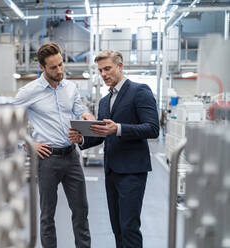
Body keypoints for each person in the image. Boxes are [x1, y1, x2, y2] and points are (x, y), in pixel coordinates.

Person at [68, 49, 159, 248]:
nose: (103, 74)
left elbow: (152, 128)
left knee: (129, 228)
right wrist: (81, 139)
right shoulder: (104, 101)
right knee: (117, 227)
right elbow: (102, 135)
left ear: (120, 65)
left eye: (107, 68)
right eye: (100, 71)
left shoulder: (140, 91)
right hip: (111, 171)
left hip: (132, 171)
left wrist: (117, 128)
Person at [12, 42, 93, 248]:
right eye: (53, 67)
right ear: (42, 68)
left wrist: (86, 117)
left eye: (61, 64)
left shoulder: (71, 87)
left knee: (81, 211)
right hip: (47, 158)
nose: (59, 70)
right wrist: (28, 143)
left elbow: (79, 110)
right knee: (47, 214)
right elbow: (8, 119)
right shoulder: (29, 91)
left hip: (72, 157)